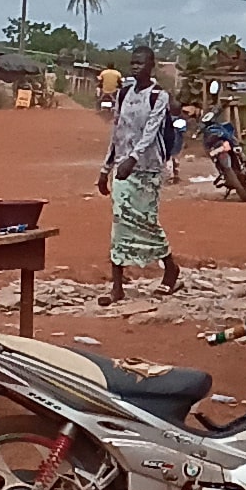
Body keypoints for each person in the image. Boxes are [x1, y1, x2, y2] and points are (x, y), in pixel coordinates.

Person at [98, 46, 180, 301]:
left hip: (148, 169)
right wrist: (105, 169)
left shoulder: (158, 96)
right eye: (133, 63)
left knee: (146, 222)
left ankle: (170, 267)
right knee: (120, 220)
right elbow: (118, 131)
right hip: (123, 169)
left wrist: (133, 159)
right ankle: (117, 286)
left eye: (141, 63)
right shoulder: (123, 94)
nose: (135, 67)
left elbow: (151, 132)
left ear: (151, 65)